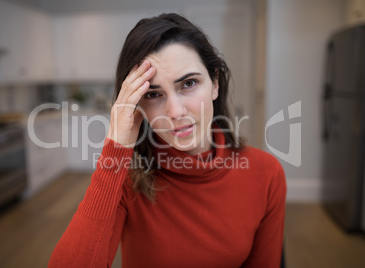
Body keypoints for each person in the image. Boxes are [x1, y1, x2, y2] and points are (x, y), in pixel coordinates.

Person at [49, 13, 286, 268]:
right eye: (153, 94)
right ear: (136, 103)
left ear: (215, 83)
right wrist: (115, 149)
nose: (175, 112)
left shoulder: (266, 173)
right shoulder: (126, 178)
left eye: (189, 83)